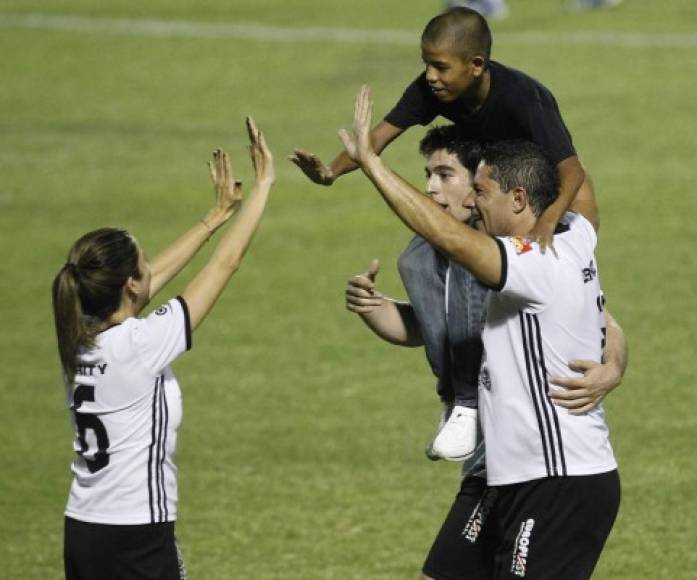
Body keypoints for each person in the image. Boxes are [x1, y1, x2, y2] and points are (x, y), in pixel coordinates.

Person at [339, 86, 625, 579]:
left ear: (518, 199)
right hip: (510, 473)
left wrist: (373, 164)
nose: (474, 201)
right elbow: (576, 179)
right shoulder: (576, 233)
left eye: (483, 192)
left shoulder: (532, 263)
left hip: (556, 478)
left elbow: (446, 234)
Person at [52, 118, 275, 580]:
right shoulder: (139, 344)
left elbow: (145, 284)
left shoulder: (82, 335)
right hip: (136, 535)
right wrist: (264, 186)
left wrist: (214, 217)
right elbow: (225, 266)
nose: (150, 268)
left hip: (84, 530)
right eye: (142, 264)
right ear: (129, 284)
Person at [291, 7, 595, 251]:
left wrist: (548, 222)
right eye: (426, 64)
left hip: (560, 195)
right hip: (503, 193)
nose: (431, 76)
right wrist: (330, 172)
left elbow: (572, 171)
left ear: (476, 65)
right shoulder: (430, 90)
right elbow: (377, 138)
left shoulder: (523, 97)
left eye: (441, 66)